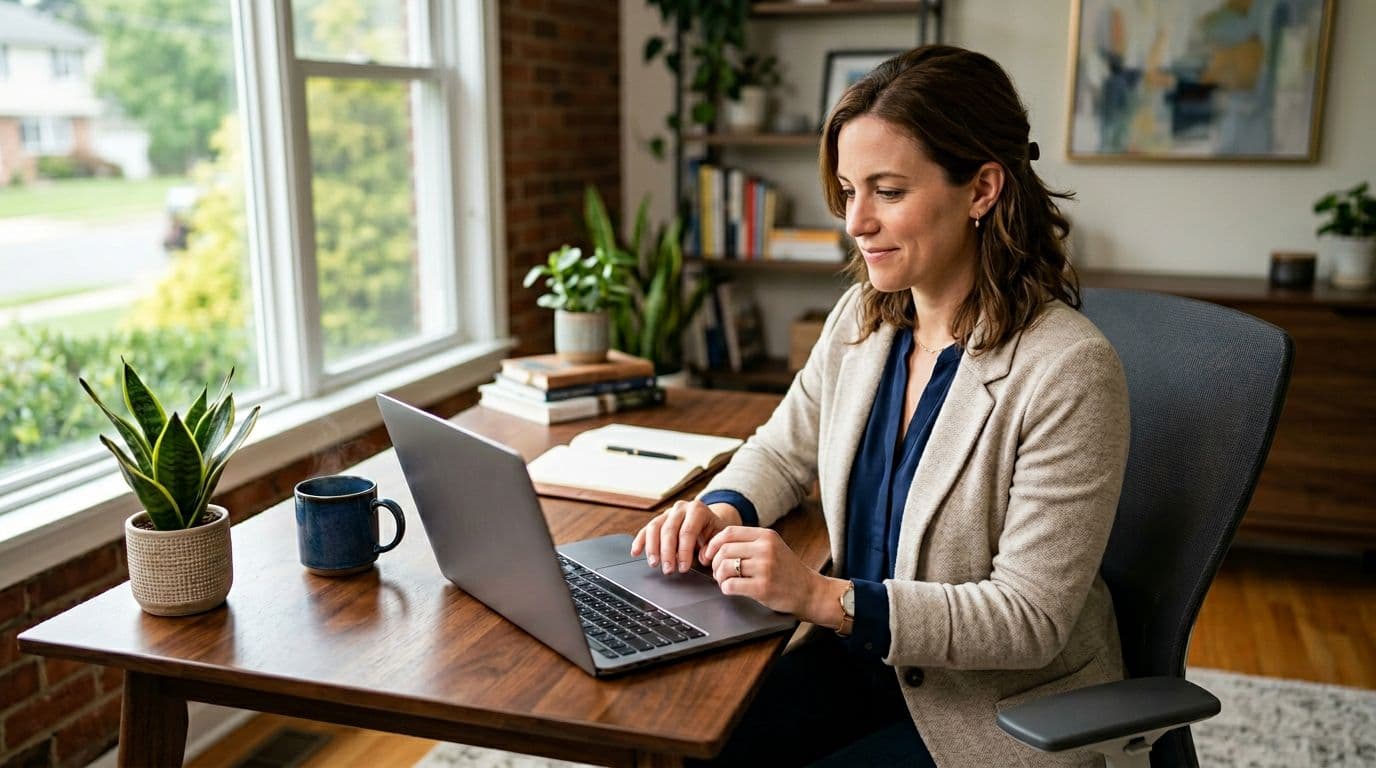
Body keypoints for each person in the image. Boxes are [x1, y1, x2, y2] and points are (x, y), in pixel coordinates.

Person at [631, 45, 1130, 768]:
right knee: (676, 742)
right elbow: (782, 449)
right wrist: (723, 508)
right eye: (847, 190)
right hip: (858, 664)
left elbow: (1028, 619)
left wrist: (822, 597)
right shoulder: (861, 320)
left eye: (888, 192)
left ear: (982, 189)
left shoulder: (1068, 370)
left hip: (993, 708)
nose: (856, 222)